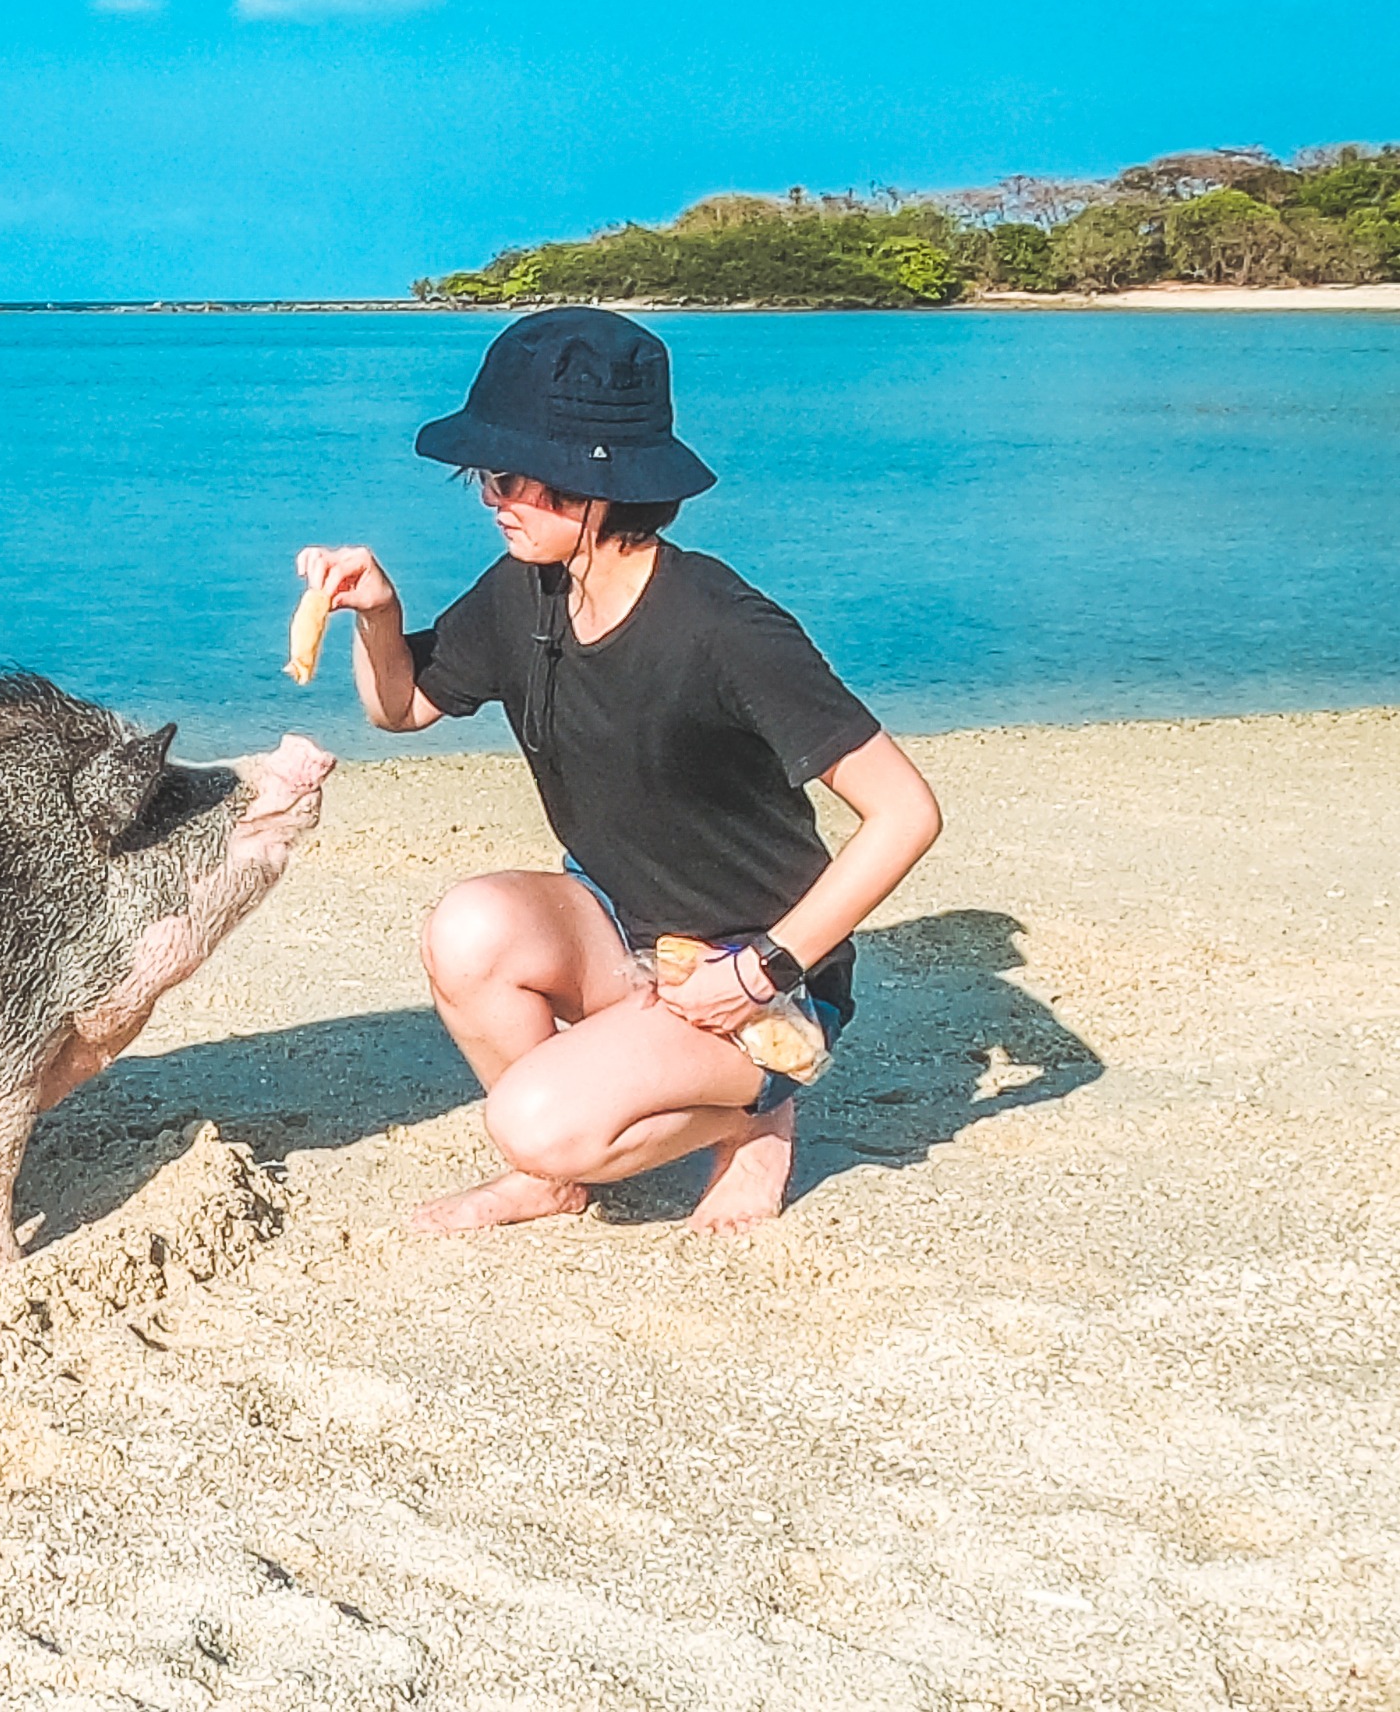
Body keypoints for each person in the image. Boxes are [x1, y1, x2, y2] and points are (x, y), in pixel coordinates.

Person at [297, 306, 942, 1234]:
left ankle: (755, 1116)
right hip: (616, 924)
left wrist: (765, 969)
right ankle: (556, 1175)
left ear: (594, 482)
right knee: (469, 929)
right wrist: (379, 613)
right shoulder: (527, 591)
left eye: (516, 475)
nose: (494, 496)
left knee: (534, 1121)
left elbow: (905, 813)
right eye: (487, 472)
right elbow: (402, 708)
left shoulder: (723, 625)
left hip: (759, 975)